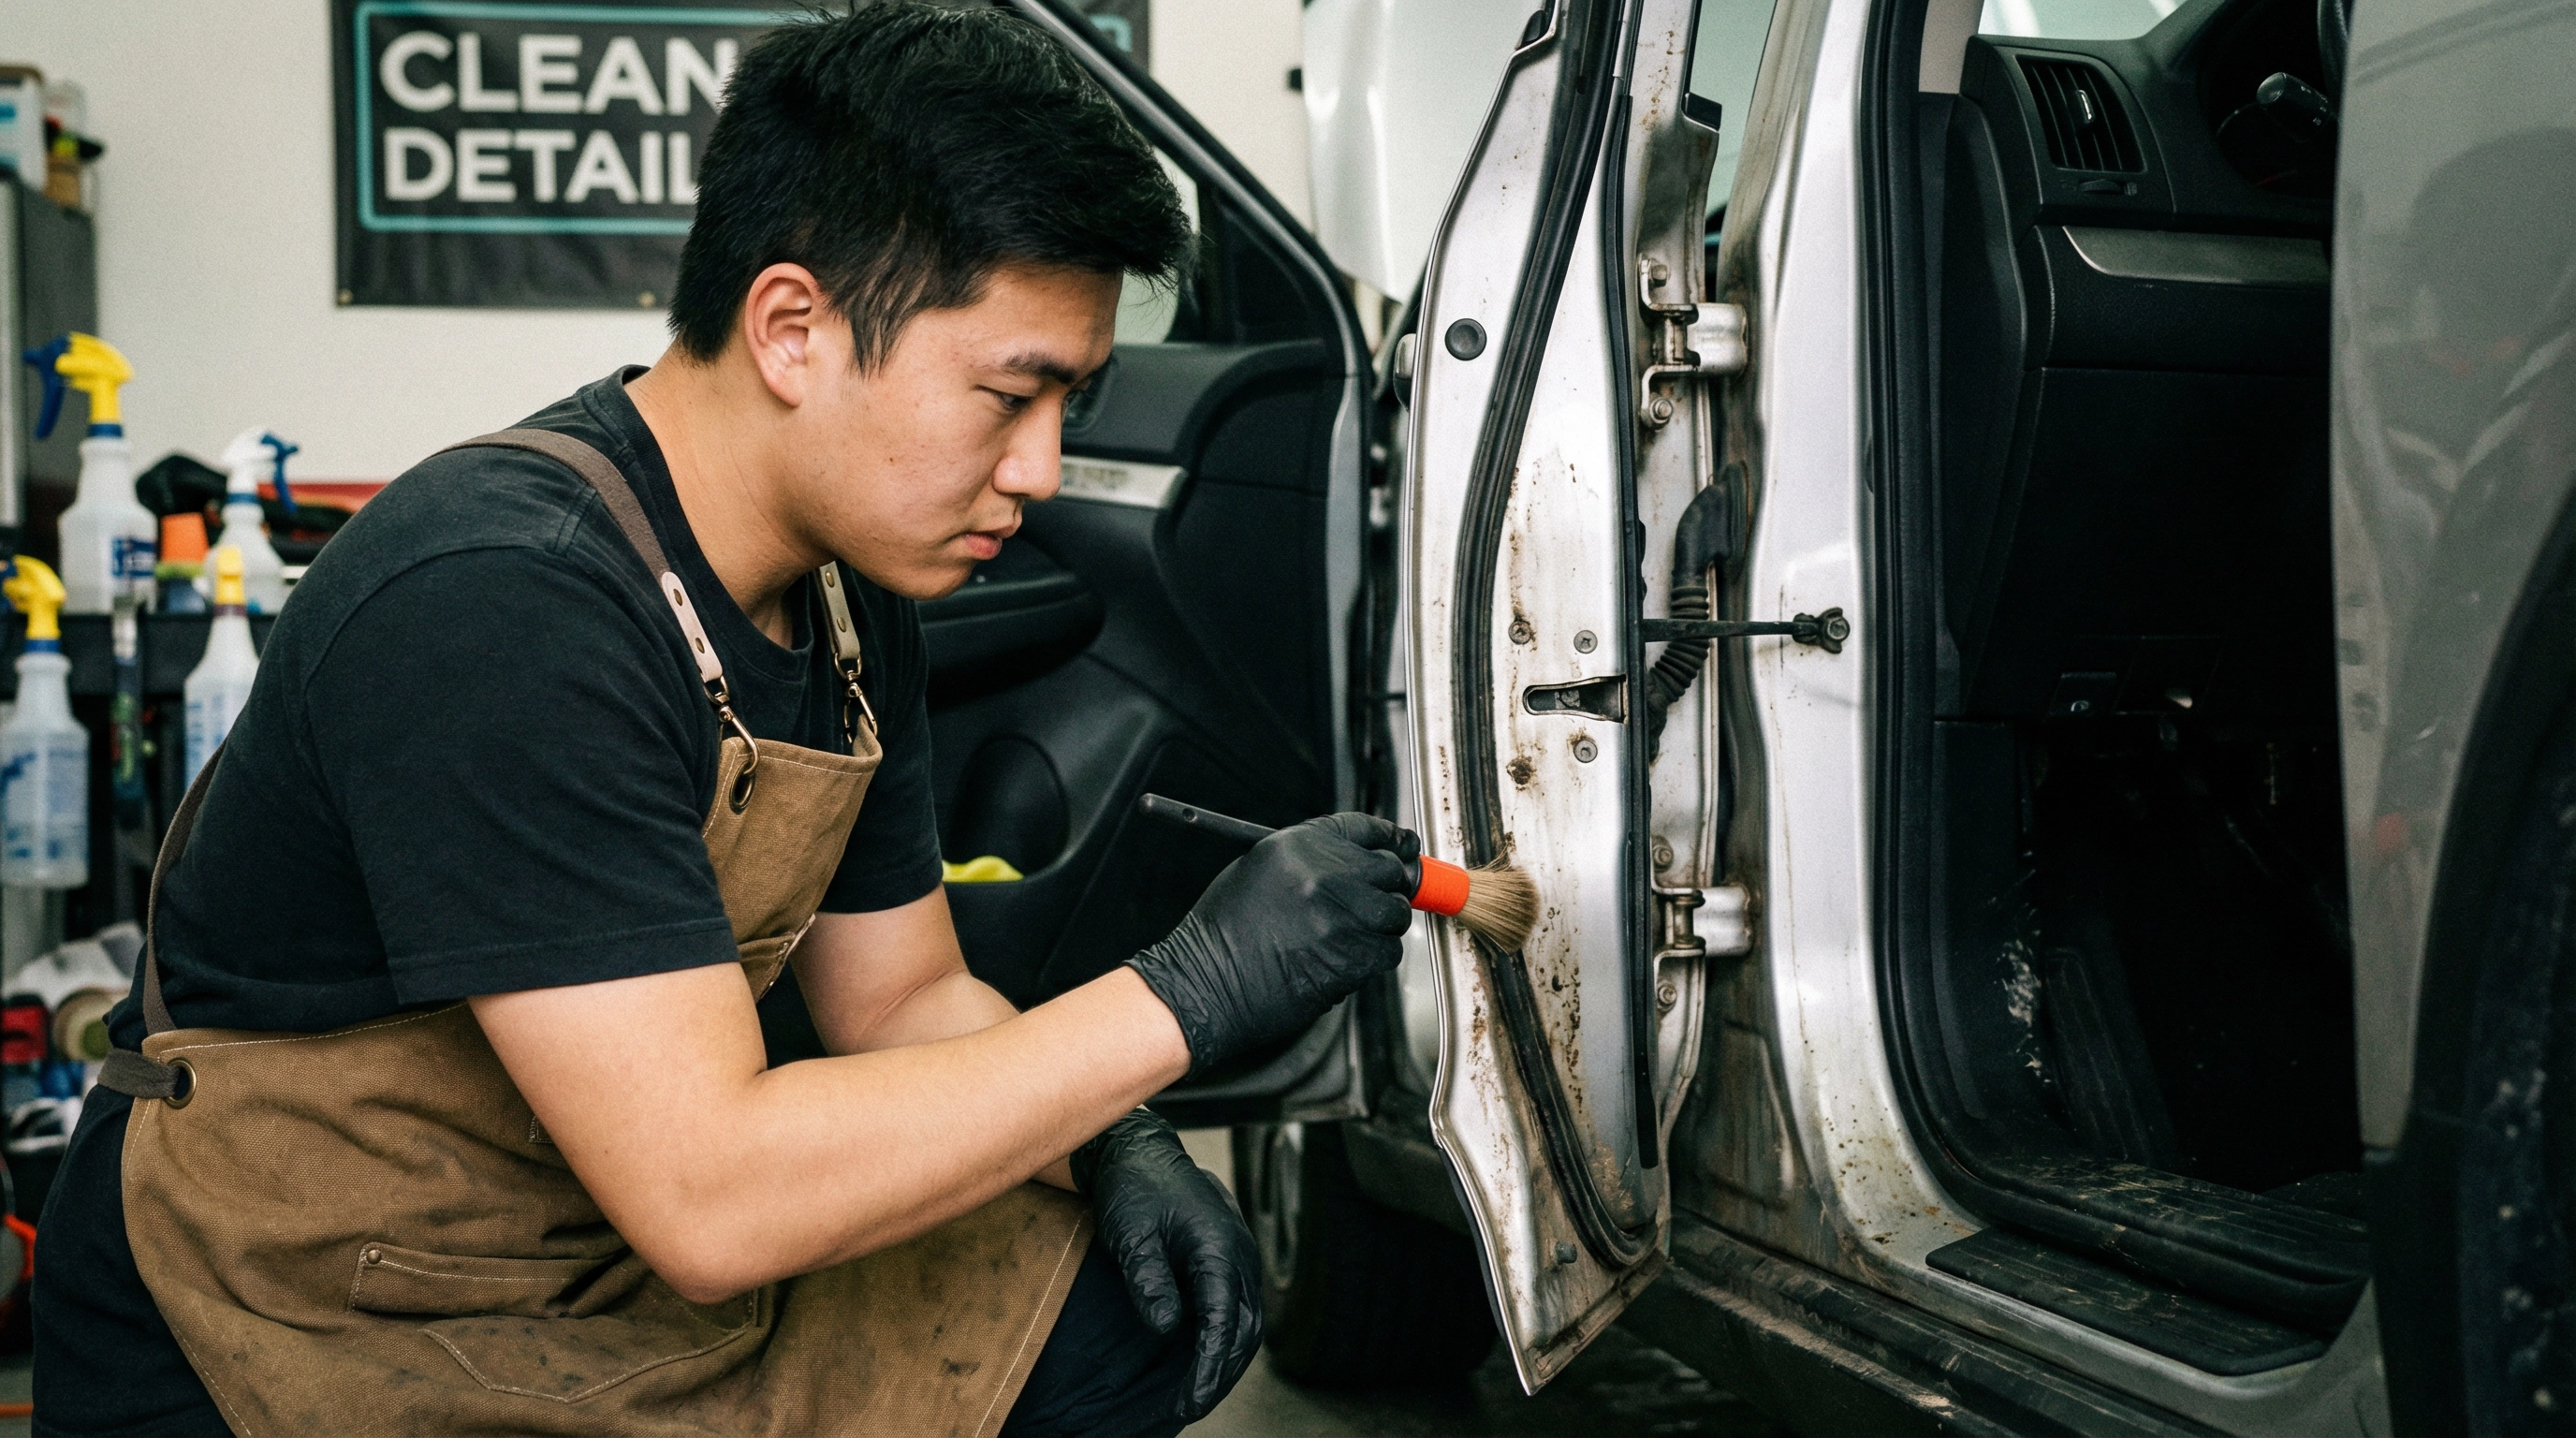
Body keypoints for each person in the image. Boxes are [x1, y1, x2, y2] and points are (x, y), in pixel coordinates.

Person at [32, 7, 1419, 1435]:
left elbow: (900, 1004)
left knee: (1122, 1316)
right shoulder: (507, 600)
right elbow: (709, 1197)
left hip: (579, 1247)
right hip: (303, 1307)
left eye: (1073, 401)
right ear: (794, 330)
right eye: (1011, 395)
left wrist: (1109, 1137)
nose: (1045, 466)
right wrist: (1177, 1004)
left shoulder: (840, 593)